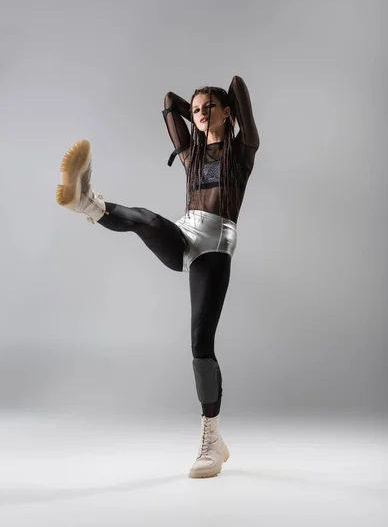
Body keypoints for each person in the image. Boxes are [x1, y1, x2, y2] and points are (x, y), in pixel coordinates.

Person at [56, 75, 259, 479]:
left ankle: (212, 440)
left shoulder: (243, 150)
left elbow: (237, 86)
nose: (199, 114)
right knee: (145, 219)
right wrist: (196, 114)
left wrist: (213, 113)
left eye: (208, 108)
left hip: (215, 246)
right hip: (185, 232)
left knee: (201, 343)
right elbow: (169, 101)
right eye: (196, 109)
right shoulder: (191, 156)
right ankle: (85, 200)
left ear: (227, 112)